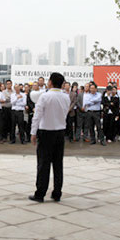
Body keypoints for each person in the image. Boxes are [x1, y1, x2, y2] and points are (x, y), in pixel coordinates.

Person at [29, 72, 70, 203]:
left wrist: (33, 132)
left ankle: (40, 193)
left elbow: (37, 116)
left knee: (43, 164)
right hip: (60, 132)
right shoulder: (66, 97)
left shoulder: (45, 96)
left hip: (46, 132)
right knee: (58, 164)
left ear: (50, 82)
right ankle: (57, 193)